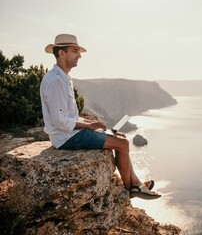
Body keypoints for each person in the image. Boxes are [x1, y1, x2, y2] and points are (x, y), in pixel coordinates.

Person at [40, 34, 160, 200]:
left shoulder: (64, 78)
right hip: (66, 138)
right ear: (61, 53)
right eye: (75, 51)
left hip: (69, 134)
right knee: (123, 144)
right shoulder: (55, 81)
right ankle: (131, 188)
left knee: (121, 136)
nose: (79, 55)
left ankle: (136, 183)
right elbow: (60, 121)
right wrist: (88, 126)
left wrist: (88, 121)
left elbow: (67, 116)